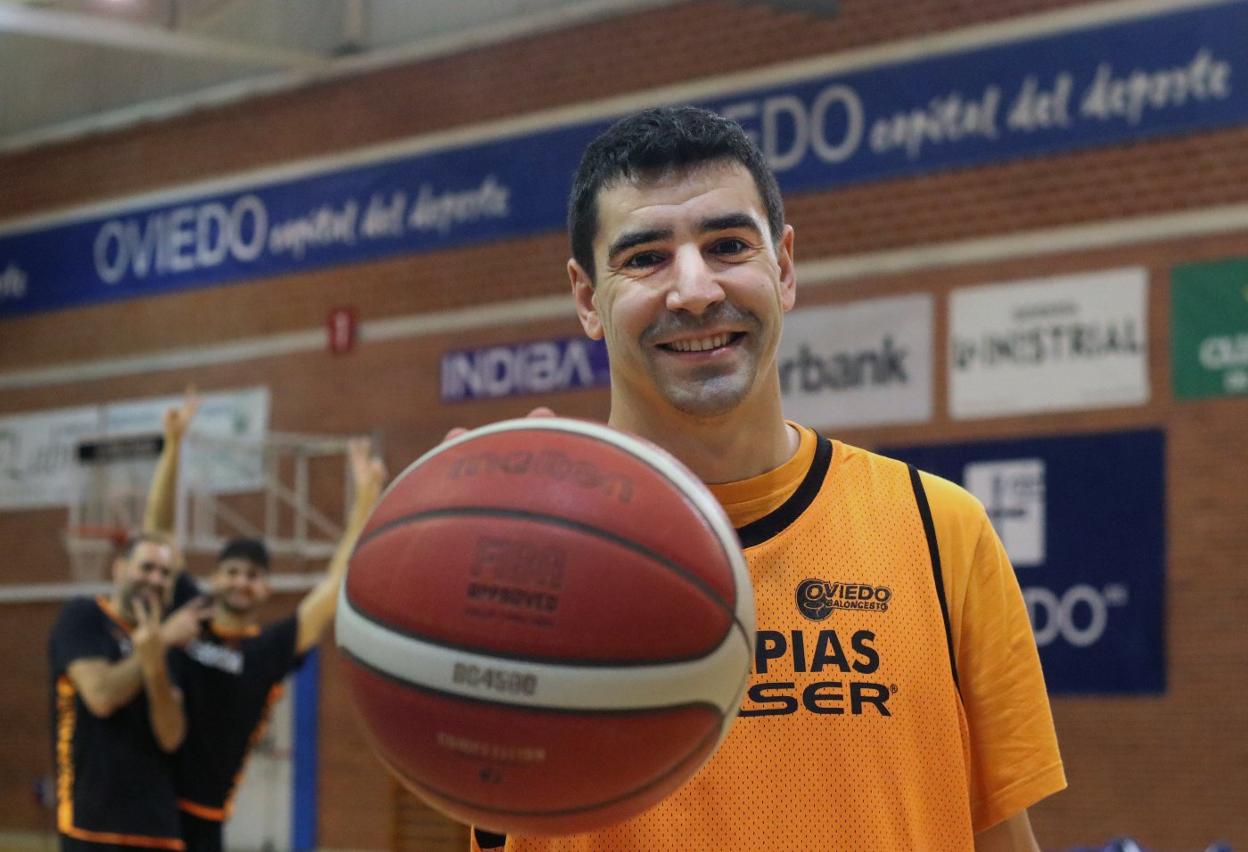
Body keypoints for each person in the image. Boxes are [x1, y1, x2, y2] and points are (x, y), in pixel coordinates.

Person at [470, 106, 1066, 851]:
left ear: (783, 269)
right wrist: (475, 577)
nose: (694, 291)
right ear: (588, 298)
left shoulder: (939, 530)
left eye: (726, 246)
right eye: (645, 258)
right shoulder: (519, 557)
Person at [143, 420, 386, 852]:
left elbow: (334, 585)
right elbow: (156, 534)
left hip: (204, 820)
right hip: (146, 804)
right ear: (214, 577)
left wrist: (366, 496)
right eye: (232, 572)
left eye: (252, 576)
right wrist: (173, 446)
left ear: (266, 588)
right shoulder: (188, 610)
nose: (240, 582)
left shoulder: (268, 650)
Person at [48, 531, 208, 851]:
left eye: (166, 574)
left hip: (159, 827)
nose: (156, 579)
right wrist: (159, 641)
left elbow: (171, 736)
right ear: (119, 569)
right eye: (147, 567)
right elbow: (101, 697)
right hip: (92, 826)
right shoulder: (84, 616)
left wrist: (156, 661)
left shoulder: (173, 646)